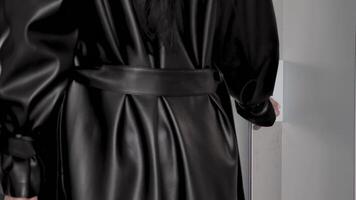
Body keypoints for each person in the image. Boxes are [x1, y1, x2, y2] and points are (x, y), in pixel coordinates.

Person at [0, 0, 280, 199]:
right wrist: (256, 102)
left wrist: (21, 160)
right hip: (201, 134)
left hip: (98, 135)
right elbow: (247, 32)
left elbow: (35, 35)